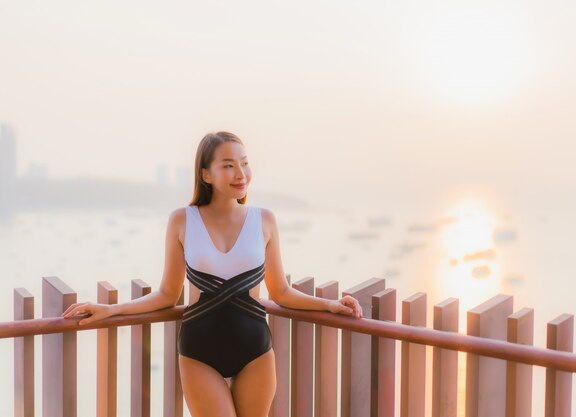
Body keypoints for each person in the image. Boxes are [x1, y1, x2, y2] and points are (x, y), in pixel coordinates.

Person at [62, 131, 363, 417]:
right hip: (199, 354)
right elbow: (168, 294)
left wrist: (330, 305)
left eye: (245, 163)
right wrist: (112, 310)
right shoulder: (182, 220)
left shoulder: (265, 220)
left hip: (255, 352)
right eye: (229, 165)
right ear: (206, 174)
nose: (241, 173)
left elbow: (280, 292)